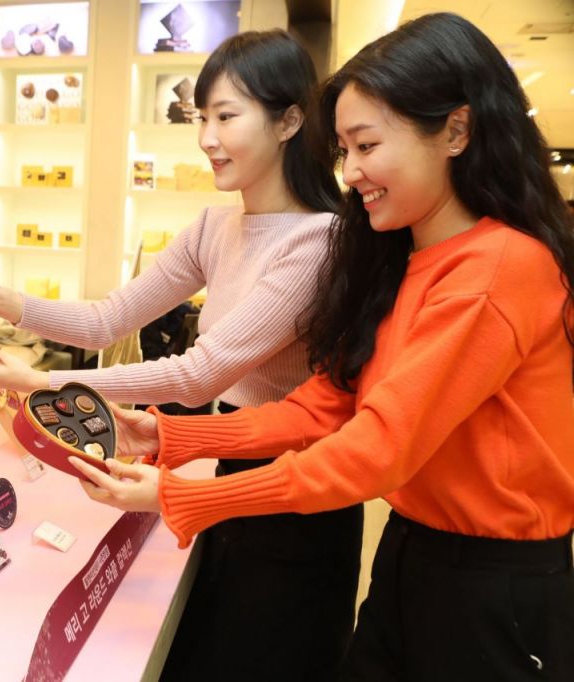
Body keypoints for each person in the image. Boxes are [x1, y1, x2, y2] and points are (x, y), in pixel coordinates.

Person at [69, 13, 574, 681]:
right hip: (411, 550)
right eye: (344, 150)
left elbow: (376, 448)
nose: (353, 171)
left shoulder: (498, 269)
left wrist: (187, 495)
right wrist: (171, 436)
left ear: (456, 131)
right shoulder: (399, 258)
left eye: (368, 145)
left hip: (491, 583)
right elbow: (323, 407)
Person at [0, 30, 362, 681]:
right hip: (232, 456)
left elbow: (198, 375)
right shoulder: (214, 226)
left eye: (226, 116)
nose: (207, 138)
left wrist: (40, 382)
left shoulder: (318, 241)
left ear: (288, 121)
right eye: (201, 117)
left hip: (299, 492)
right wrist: (2, 300)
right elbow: (107, 319)